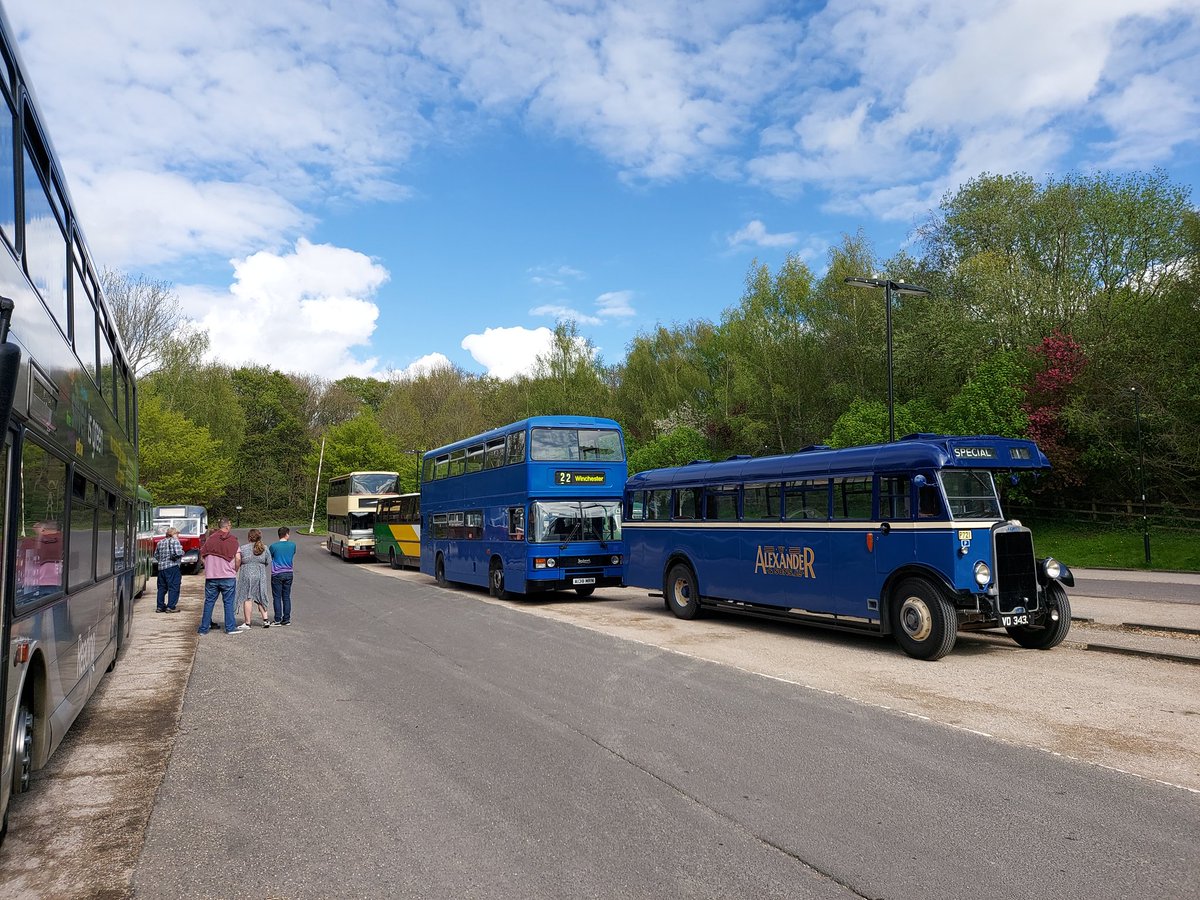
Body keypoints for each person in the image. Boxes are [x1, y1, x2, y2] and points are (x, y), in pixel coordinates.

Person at [199, 518, 241, 635]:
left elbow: (202, 555)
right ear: (227, 526)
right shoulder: (232, 540)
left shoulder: (210, 540)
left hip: (211, 576)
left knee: (209, 602)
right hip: (228, 575)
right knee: (228, 602)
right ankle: (230, 628)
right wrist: (235, 569)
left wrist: (208, 566)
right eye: (231, 525)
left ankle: (203, 629)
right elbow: (238, 558)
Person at [235, 528, 273, 629]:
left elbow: (238, 560)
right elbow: (268, 561)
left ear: (249, 537)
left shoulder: (243, 548)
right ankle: (265, 620)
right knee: (261, 595)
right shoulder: (264, 548)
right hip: (260, 574)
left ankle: (247, 623)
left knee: (247, 598)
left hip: (246, 574)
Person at [268, 526, 296, 626]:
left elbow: (270, 557)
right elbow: (292, 554)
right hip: (289, 572)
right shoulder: (293, 545)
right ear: (287, 534)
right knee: (286, 597)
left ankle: (277, 619)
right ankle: (286, 619)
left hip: (277, 573)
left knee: (277, 597)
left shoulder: (273, 546)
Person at [154, 525, 185, 613]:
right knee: (174, 587)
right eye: (177, 534)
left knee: (161, 588)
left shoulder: (160, 542)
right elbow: (179, 553)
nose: (178, 536)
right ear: (173, 534)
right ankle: (170, 607)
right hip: (172, 567)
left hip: (161, 568)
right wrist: (183, 552)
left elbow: (156, 555)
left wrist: (162, 561)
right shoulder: (175, 541)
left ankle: (160, 606)